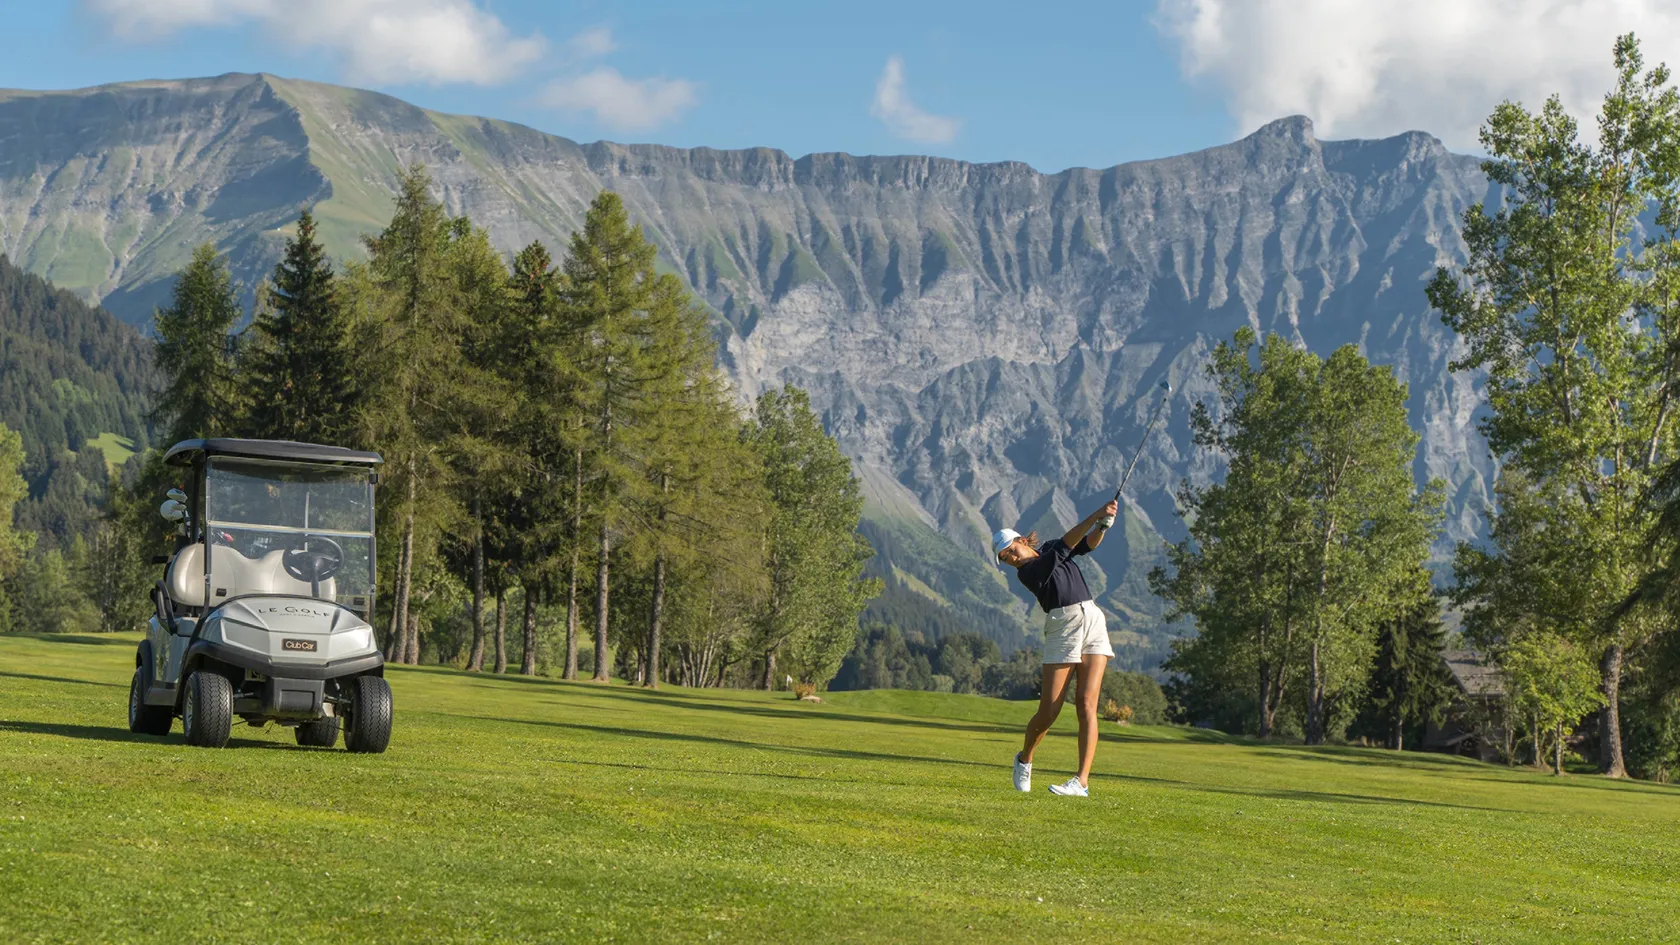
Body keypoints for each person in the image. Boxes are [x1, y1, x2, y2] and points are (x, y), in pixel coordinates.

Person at [993, 499, 1118, 797]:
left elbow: (1086, 545)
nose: (1012, 559)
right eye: (1006, 558)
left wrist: (1102, 526)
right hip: (1063, 626)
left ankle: (1081, 782)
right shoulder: (1028, 572)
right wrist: (1096, 514)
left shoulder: (1049, 548)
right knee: (1049, 710)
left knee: (1087, 705)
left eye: (1012, 550)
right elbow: (1066, 544)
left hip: (1093, 619)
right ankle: (1025, 759)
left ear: (1023, 541)